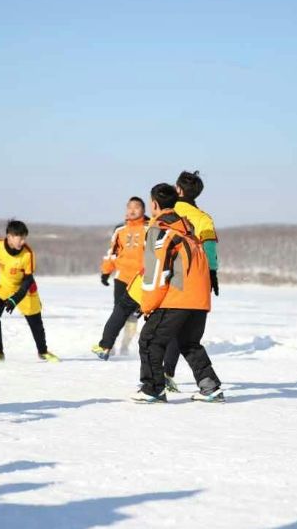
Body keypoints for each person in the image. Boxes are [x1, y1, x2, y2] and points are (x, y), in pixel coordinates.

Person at [131, 183, 223, 403]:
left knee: (150, 339)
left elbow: (155, 274)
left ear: (154, 204)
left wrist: (147, 305)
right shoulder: (189, 233)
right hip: (199, 301)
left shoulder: (159, 231)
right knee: (189, 343)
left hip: (177, 298)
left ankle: (153, 389)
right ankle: (210, 388)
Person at [163, 170, 220, 392]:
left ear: (178, 189)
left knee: (166, 327)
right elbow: (210, 247)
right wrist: (212, 273)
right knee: (185, 330)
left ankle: (161, 376)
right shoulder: (203, 218)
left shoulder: (168, 211)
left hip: (173, 275)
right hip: (197, 279)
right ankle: (168, 373)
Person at [0, 219, 59, 363]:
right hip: (4, 285)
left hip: (25, 288)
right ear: (9, 236)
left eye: (24, 238)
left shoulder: (28, 254)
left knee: (35, 321)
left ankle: (43, 351)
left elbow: (28, 280)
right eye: (20, 238)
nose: (23, 242)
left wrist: (15, 299)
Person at [91, 197, 147, 359]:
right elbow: (112, 253)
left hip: (141, 279)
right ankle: (110, 346)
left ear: (143, 210)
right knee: (119, 312)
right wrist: (106, 271)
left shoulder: (150, 228)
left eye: (136, 207)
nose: (132, 210)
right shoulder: (120, 230)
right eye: (129, 207)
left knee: (134, 315)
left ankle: (125, 346)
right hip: (122, 277)